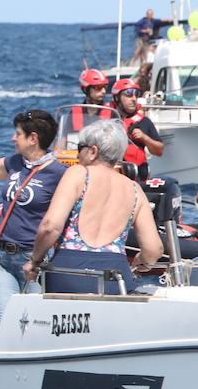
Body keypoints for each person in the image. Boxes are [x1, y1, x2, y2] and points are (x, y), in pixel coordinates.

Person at [24, 119, 163, 294]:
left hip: (69, 273)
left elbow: (50, 226)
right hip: (116, 277)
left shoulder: (78, 174)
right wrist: (141, 261)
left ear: (92, 151)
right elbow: (153, 249)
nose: (76, 155)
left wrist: (35, 261)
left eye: (79, 148)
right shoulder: (135, 189)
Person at [0, 110, 64, 326]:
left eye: (17, 134)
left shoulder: (59, 173)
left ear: (33, 138)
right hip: (1, 259)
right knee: (4, 323)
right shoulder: (16, 163)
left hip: (36, 262)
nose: (12, 138)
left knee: (35, 325)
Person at [112, 78, 163, 181]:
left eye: (136, 94)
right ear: (117, 98)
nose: (134, 99)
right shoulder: (108, 119)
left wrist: (145, 138)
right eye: (129, 95)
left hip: (135, 177)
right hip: (111, 175)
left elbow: (159, 151)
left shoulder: (144, 122)